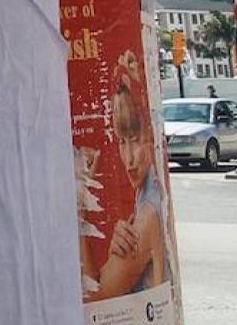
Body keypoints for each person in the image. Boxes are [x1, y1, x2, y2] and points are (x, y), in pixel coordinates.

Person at [86, 51, 167, 299]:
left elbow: (92, 294)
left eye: (135, 139)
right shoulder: (147, 195)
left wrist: (79, 211)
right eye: (122, 141)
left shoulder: (145, 217)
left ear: (151, 137)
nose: (129, 158)